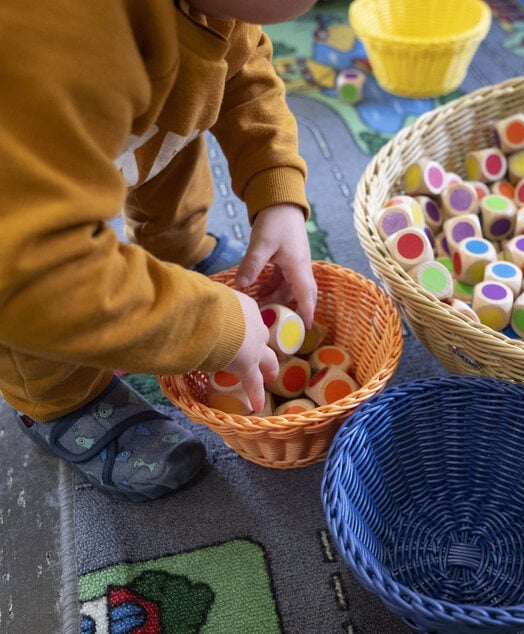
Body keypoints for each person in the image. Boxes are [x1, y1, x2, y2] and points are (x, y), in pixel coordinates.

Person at [0, 0, 319, 502]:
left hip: (109, 118)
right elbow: (37, 274)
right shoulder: (61, 34)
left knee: (173, 123)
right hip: (17, 241)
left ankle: (178, 251)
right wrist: (214, 325)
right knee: (41, 318)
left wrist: (276, 191)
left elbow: (243, 73)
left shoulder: (222, 8)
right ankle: (61, 399)